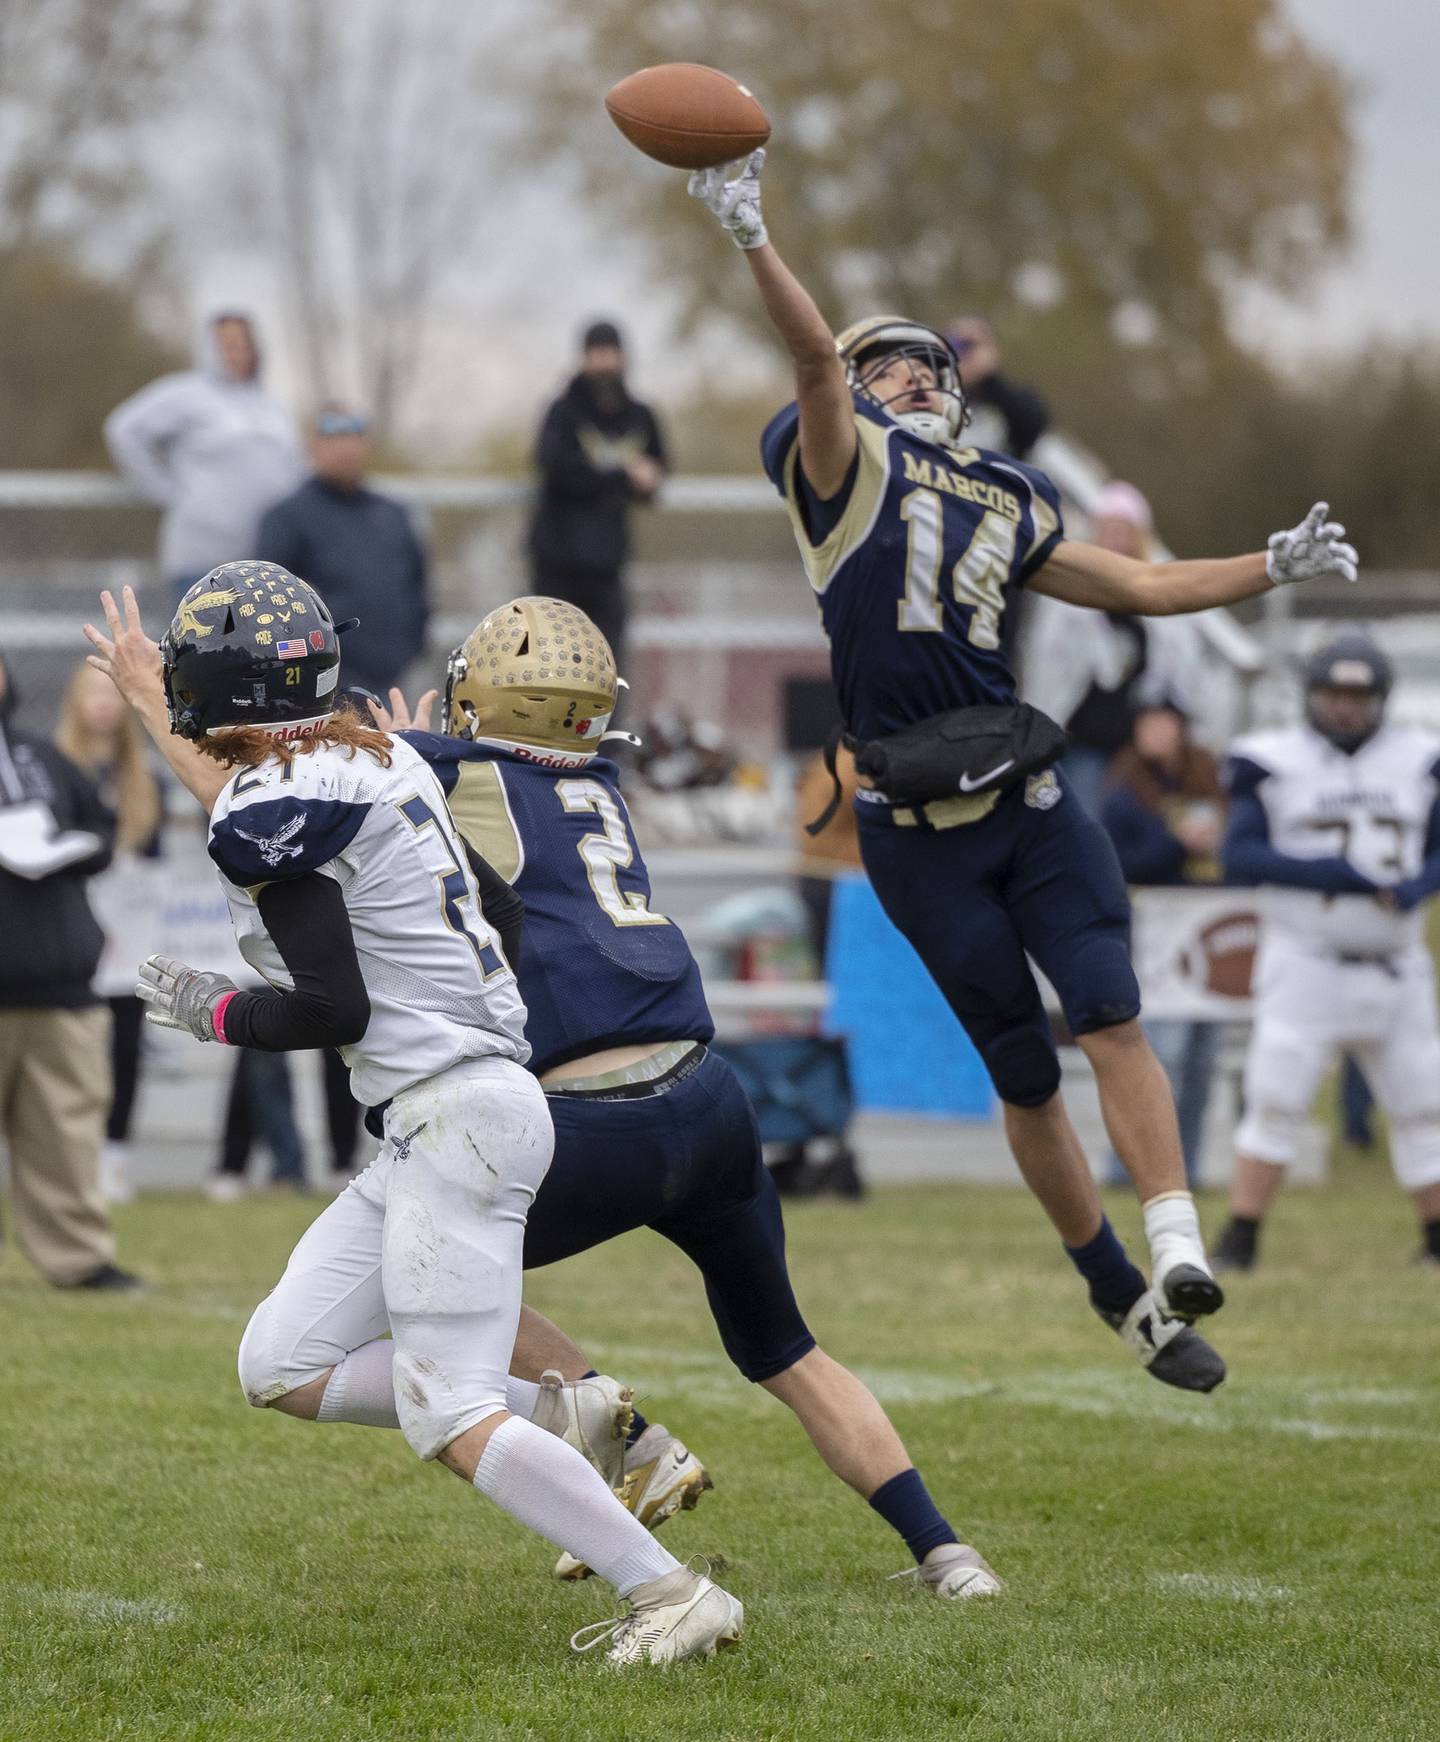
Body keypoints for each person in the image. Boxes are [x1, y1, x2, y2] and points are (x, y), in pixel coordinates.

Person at [92, 587, 1003, 1606]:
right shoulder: (593, 784)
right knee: (785, 1347)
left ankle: (630, 1454)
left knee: (441, 1305)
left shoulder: (429, 764)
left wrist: (144, 696)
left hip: (569, 1112)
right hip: (705, 1094)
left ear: (475, 700)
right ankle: (947, 1550)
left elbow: (245, 788)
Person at [688, 147, 1358, 1390]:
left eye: (928, 361)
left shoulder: (1008, 488)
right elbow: (811, 363)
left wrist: (1266, 563)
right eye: (894, 360)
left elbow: (1146, 584)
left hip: (1031, 799)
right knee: (1024, 1067)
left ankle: (1175, 1244)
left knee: (1111, 1007)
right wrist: (751, 239)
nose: (917, 373)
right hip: (911, 825)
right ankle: (1118, 1291)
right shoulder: (847, 465)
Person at [83, 570, 742, 1667]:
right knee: (280, 1360)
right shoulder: (380, 757)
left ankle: (669, 1591)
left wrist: (215, 1008)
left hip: (455, 1115)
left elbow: (328, 1005)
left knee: (447, 1411)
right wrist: (475, 1027)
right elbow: (502, 906)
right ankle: (551, 1406)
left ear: (220, 691)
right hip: (452, 1106)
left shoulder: (281, 801)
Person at [1211, 634, 1440, 1273]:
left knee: (1426, 1105)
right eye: (1334, 693)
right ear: (1311, 695)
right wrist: (1330, 873)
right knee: (1276, 1098)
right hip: (1306, 957)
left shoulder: (1422, 758)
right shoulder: (1270, 759)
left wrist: (1421, 884)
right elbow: (1241, 855)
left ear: (1382, 698)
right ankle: (1241, 1238)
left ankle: (1437, 1240)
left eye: (1358, 695)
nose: (1344, 707)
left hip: (1397, 962)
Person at [0, 650, 139, 1289]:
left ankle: (79, 1259)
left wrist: (72, 848)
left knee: (66, 1132)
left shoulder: (44, 758)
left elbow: (103, 828)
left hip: (60, 987)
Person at [1100, 697, 1226, 1185]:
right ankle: (1129, 1170)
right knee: (1162, 1057)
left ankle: (1184, 1172)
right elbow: (1118, 865)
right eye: (1146, 723)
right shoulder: (1124, 793)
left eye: (1163, 723)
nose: (1154, 732)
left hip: (1210, 929)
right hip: (1157, 938)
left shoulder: (1209, 783)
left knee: (1201, 1064)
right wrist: (1178, 842)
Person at [54, 660, 164, 1205]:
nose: (102, 703)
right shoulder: (54, 769)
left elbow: (153, 862)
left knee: (124, 1050)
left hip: (127, 941)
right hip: (68, 939)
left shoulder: (141, 781)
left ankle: (115, 1158)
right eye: (92, 691)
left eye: (111, 693)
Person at [104, 312, 305, 600]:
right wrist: (167, 491)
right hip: (203, 563)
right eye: (227, 343)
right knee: (200, 642)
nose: (237, 352)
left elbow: (295, 466)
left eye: (243, 342)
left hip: (266, 566)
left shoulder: (271, 406)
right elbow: (124, 430)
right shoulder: (187, 394)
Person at [255, 407, 430, 701]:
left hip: (391, 680)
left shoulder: (392, 514)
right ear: (314, 447)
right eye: (334, 438)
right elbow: (266, 605)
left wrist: (410, 648)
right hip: (320, 687)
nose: (346, 449)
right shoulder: (287, 517)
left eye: (353, 438)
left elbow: (418, 586)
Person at [526, 319, 667, 671]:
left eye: (610, 353)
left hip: (607, 563)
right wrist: (622, 477)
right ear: (584, 357)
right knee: (550, 664)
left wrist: (650, 478)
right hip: (558, 560)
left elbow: (659, 463)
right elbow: (554, 469)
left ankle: (608, 728)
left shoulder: (639, 414)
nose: (604, 362)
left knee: (606, 665)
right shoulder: (563, 411)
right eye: (596, 353)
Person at [1025, 481, 1155, 816]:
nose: (1116, 538)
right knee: (1079, 824)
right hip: (1076, 743)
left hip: (1123, 749)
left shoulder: (1146, 598)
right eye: (1109, 528)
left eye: (1124, 530)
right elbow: (1047, 664)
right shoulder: (1070, 595)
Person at [943, 316, 1049, 460]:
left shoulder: (1009, 400)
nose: (960, 354)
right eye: (954, 344)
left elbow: (1033, 424)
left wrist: (989, 378)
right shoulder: (931, 392)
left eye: (968, 346)